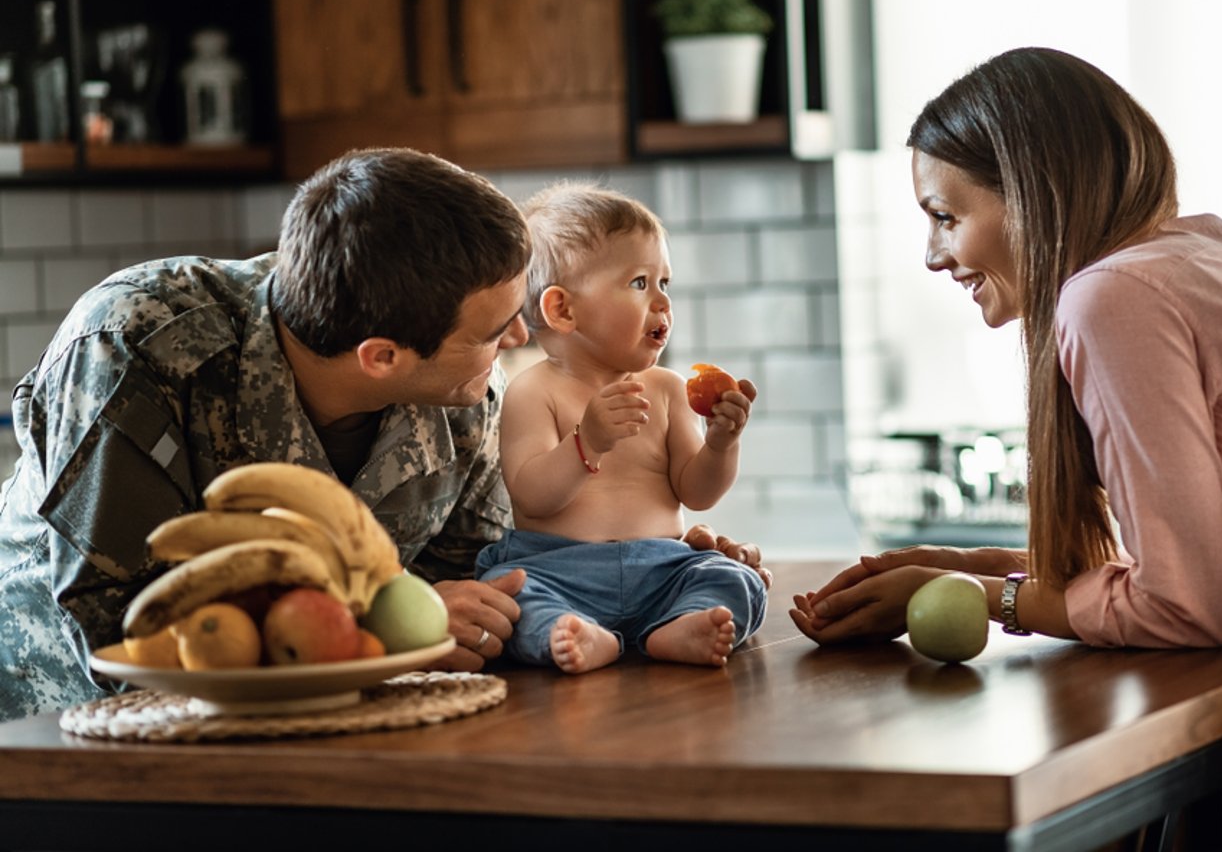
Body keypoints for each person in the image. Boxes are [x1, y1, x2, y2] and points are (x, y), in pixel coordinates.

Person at [789, 48, 1222, 845]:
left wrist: (992, 604)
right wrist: (974, 567)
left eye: (946, 217)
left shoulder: (1113, 296)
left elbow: (1182, 608)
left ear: (1032, 191)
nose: (933, 254)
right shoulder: (1208, 251)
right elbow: (1194, 571)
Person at [0, 148, 762, 721]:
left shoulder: (466, 396)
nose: (520, 339)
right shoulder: (137, 343)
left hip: (326, 728)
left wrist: (652, 560)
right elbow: (111, 624)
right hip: (56, 735)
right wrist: (383, 628)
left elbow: (478, 571)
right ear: (383, 358)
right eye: (496, 330)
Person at [475, 183, 768, 674]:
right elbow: (533, 497)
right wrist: (586, 442)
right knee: (510, 596)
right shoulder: (532, 392)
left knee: (734, 577)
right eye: (639, 283)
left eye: (665, 283)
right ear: (563, 310)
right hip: (559, 570)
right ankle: (574, 634)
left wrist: (721, 444)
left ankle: (681, 624)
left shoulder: (668, 389)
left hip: (663, 568)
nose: (662, 302)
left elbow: (696, 493)